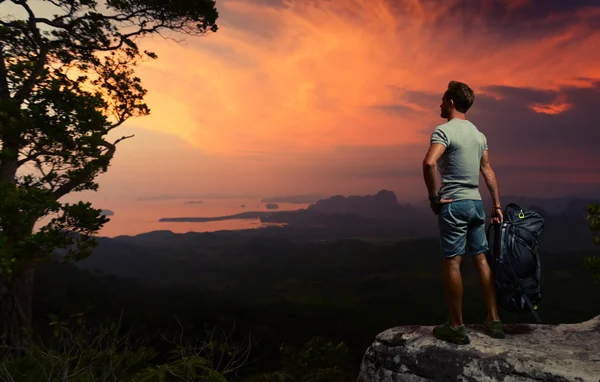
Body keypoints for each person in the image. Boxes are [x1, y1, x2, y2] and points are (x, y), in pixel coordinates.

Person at [422, 80, 504, 345]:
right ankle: (493, 320)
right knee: (481, 259)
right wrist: (497, 205)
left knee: (453, 262)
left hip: (454, 205)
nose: (440, 104)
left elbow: (429, 162)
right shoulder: (479, 135)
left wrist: (434, 198)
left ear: (452, 103)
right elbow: (487, 171)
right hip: (476, 204)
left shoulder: (444, 131)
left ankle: (456, 326)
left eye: (443, 99)